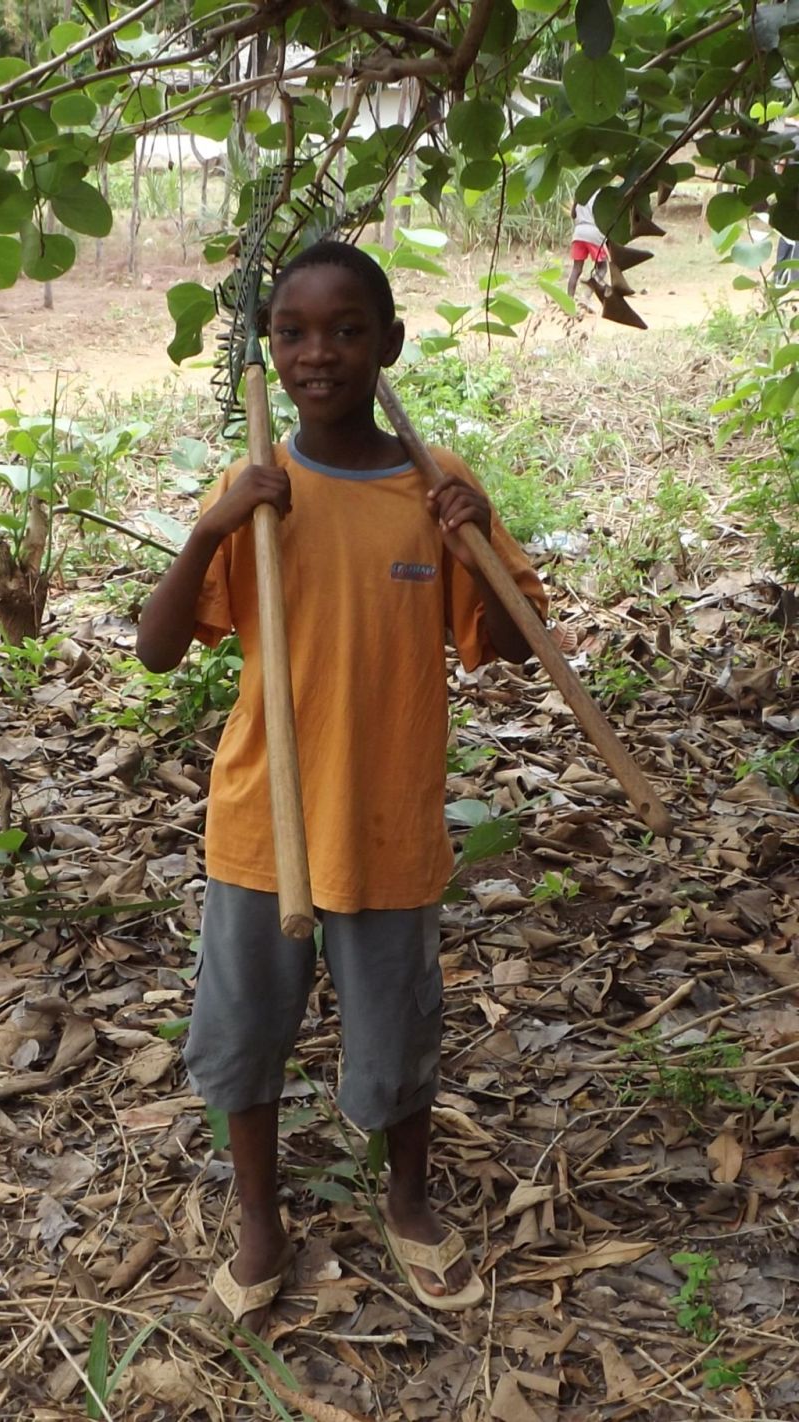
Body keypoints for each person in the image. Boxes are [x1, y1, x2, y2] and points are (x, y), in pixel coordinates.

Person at [136, 240, 547, 1330]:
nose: (317, 353)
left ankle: (407, 1202)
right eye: (293, 333)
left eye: (346, 330)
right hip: (262, 819)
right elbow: (157, 651)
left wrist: (472, 545)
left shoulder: (433, 485)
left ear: (388, 344)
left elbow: (512, 644)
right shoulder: (256, 489)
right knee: (244, 1033)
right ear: (268, 352)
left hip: (386, 821)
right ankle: (259, 1221)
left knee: (396, 1032)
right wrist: (212, 528)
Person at [567, 192, 608, 299]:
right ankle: (586, 296)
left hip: (579, 232)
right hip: (594, 231)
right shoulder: (601, 194)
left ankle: (569, 300)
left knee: (576, 269)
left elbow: (573, 215)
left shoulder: (581, 193)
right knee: (602, 268)